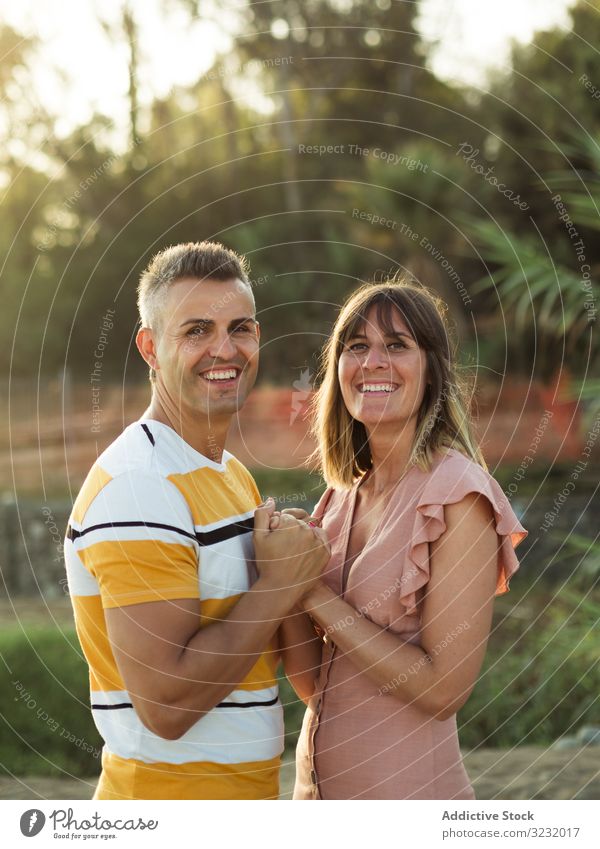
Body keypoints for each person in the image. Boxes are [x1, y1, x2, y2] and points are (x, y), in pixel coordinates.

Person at [64, 241, 329, 800]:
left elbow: (275, 657)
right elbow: (166, 705)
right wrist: (282, 580)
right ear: (150, 348)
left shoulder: (231, 476)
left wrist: (297, 565)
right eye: (196, 331)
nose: (224, 349)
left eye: (241, 328)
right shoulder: (139, 485)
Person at [292, 277, 528, 800]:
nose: (373, 362)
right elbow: (315, 685)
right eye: (357, 347)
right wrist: (282, 571)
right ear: (338, 369)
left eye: (396, 345)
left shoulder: (458, 496)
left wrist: (311, 593)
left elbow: (445, 690)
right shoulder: (338, 499)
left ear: (432, 370)